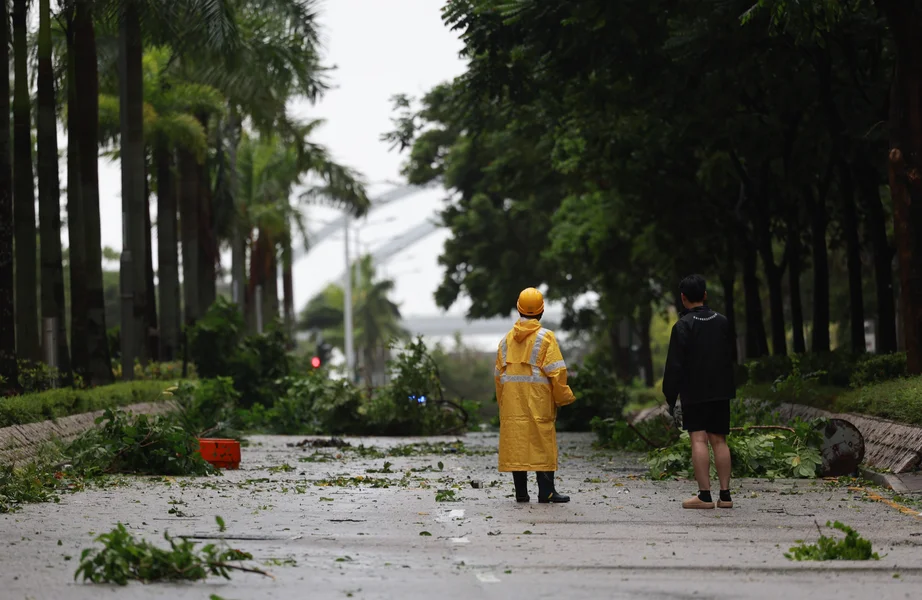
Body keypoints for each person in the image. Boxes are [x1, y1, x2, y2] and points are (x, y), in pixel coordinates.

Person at [494, 287, 576, 503]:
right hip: (539, 402)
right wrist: (563, 397)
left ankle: (521, 493)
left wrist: (503, 404)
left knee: (517, 443)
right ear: (541, 311)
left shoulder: (505, 341)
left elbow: (498, 377)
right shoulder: (546, 338)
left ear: (518, 309)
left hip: (513, 403)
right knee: (542, 443)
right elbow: (557, 372)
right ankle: (547, 492)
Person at [663, 274, 736, 510]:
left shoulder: (683, 326)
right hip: (721, 390)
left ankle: (705, 496)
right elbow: (730, 356)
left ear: (683, 299)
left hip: (694, 391)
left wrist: (670, 397)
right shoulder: (723, 322)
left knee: (699, 439)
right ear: (705, 295)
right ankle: (725, 496)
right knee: (720, 440)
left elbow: (674, 365)